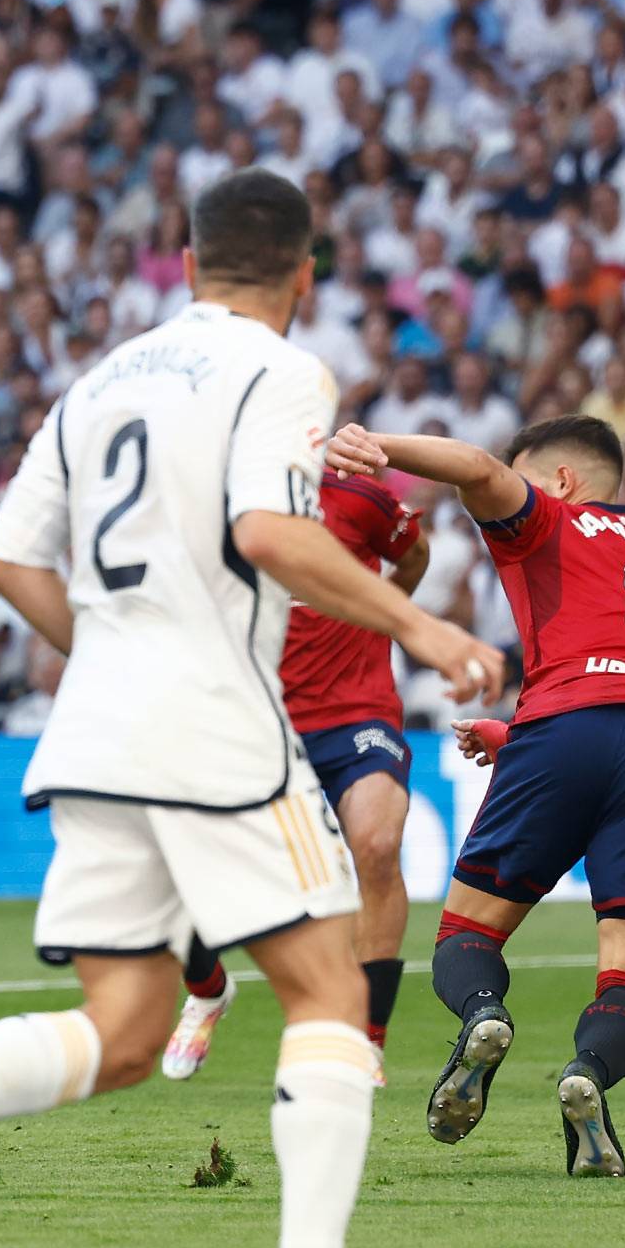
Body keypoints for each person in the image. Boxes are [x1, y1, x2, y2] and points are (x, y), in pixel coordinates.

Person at [0, 169, 502, 1248]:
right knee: (331, 989)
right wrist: (421, 625)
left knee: (122, 1027)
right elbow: (266, 533)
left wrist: (118, 649)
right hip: (214, 720)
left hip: (95, 726)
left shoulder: (100, 377)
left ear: (183, 265)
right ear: (303, 275)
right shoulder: (282, 372)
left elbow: (4, 560)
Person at [321, 416, 625, 1179]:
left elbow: (472, 464)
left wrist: (376, 447)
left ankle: (483, 1016)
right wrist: (515, 737)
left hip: (567, 729)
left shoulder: (552, 520)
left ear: (563, 481)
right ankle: (587, 1076)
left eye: (526, 474)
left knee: (464, 941)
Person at [164, 463, 430, 1083]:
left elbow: (413, 555)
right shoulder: (208, 500)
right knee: (176, 870)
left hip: (355, 711)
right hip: (252, 720)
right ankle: (207, 990)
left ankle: (366, 1039)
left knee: (378, 842)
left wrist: (380, 613)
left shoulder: (358, 493)